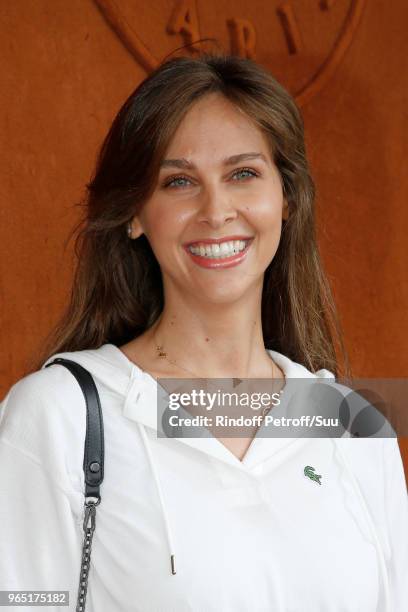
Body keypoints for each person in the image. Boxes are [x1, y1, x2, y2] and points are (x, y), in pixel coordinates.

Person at [0, 52, 407, 612]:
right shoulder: (59, 418)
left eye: (243, 174)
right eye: (179, 181)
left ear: (285, 199)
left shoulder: (356, 429)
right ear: (135, 214)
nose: (216, 211)